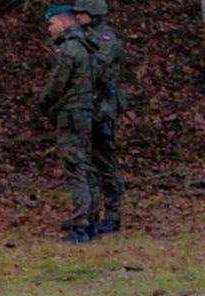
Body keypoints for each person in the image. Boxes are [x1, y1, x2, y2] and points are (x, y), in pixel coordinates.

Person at [37, 5, 98, 245]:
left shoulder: (70, 49)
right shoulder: (86, 46)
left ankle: (80, 227)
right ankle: (90, 221)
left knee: (75, 170)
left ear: (63, 22)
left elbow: (56, 84)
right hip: (83, 114)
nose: (49, 29)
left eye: (51, 24)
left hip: (71, 115)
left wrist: (43, 103)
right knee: (87, 168)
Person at [76, 0, 125, 236]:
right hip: (86, 105)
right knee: (87, 163)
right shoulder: (83, 36)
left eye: (82, 13)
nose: (78, 17)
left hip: (103, 107)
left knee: (105, 162)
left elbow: (97, 66)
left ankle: (113, 215)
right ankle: (92, 215)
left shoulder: (106, 38)